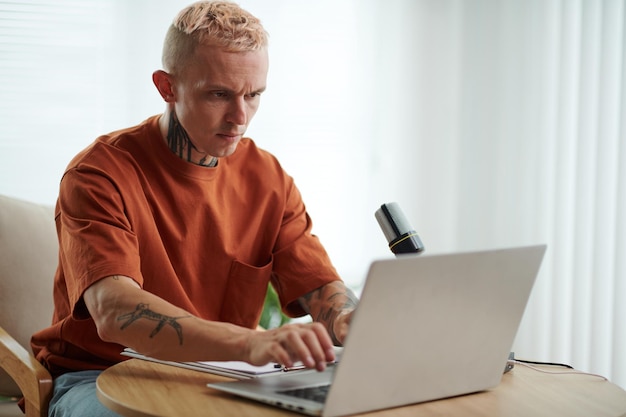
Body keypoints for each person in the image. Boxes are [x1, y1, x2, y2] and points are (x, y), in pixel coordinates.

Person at [30, 1, 358, 416]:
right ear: (168, 87)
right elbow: (114, 311)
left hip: (225, 375)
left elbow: (318, 287)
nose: (240, 117)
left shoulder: (268, 176)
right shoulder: (98, 172)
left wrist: (347, 320)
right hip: (100, 374)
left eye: (254, 95)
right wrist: (253, 343)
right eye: (219, 94)